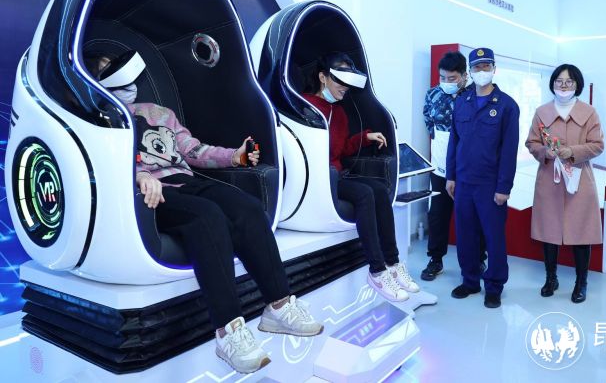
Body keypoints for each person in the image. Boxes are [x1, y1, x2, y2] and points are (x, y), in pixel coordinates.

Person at [84, 50, 322, 375]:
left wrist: (235, 156)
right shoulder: (100, 123)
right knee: (207, 216)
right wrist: (137, 177)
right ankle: (228, 332)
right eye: (107, 69)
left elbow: (193, 150)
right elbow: (100, 166)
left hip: (187, 180)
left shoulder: (158, 113)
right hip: (153, 194)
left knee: (247, 207)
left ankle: (278, 306)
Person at [303, 52, 419, 302]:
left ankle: (393, 263)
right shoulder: (304, 107)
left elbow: (342, 149)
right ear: (323, 77)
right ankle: (377, 271)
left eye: (347, 82)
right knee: (365, 193)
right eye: (339, 81)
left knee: (379, 189)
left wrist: (365, 137)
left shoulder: (339, 113)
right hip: (316, 180)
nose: (344, 87)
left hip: (336, 175)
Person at [446, 47, 519, 308]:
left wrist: (504, 187)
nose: (481, 71)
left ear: (494, 69)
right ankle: (470, 280)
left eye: (486, 66)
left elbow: (509, 150)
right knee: (465, 235)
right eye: (476, 67)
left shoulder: (507, 106)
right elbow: (454, 142)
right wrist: (451, 176)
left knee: (493, 237)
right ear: (470, 71)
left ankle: (494, 286)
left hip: (490, 185)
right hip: (463, 181)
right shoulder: (461, 102)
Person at [525, 64, 604, 303]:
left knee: (582, 232)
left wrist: (573, 151)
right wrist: (545, 152)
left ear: (577, 84)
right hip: (550, 178)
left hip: (579, 179)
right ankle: (551, 278)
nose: (563, 85)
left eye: (569, 81)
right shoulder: (541, 112)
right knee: (549, 231)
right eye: (559, 81)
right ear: (552, 84)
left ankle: (581, 283)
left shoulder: (589, 112)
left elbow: (598, 145)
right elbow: (531, 143)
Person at [421, 51, 486, 281]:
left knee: (471, 215)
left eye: (452, 78)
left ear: (464, 76)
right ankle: (435, 259)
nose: (446, 82)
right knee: (437, 214)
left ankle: (477, 259)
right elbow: (428, 122)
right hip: (440, 166)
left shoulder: (474, 96)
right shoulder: (433, 94)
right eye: (443, 77)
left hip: (468, 167)